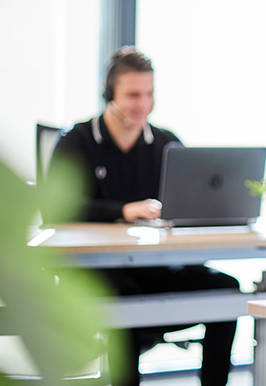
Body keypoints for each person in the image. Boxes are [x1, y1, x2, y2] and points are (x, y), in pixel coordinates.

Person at [45, 47, 238, 386]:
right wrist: (122, 210)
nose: (142, 104)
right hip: (98, 274)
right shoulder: (75, 142)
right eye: (133, 94)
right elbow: (55, 208)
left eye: (148, 94)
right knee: (127, 302)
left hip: (154, 267)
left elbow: (190, 205)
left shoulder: (167, 144)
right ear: (109, 95)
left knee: (228, 291)